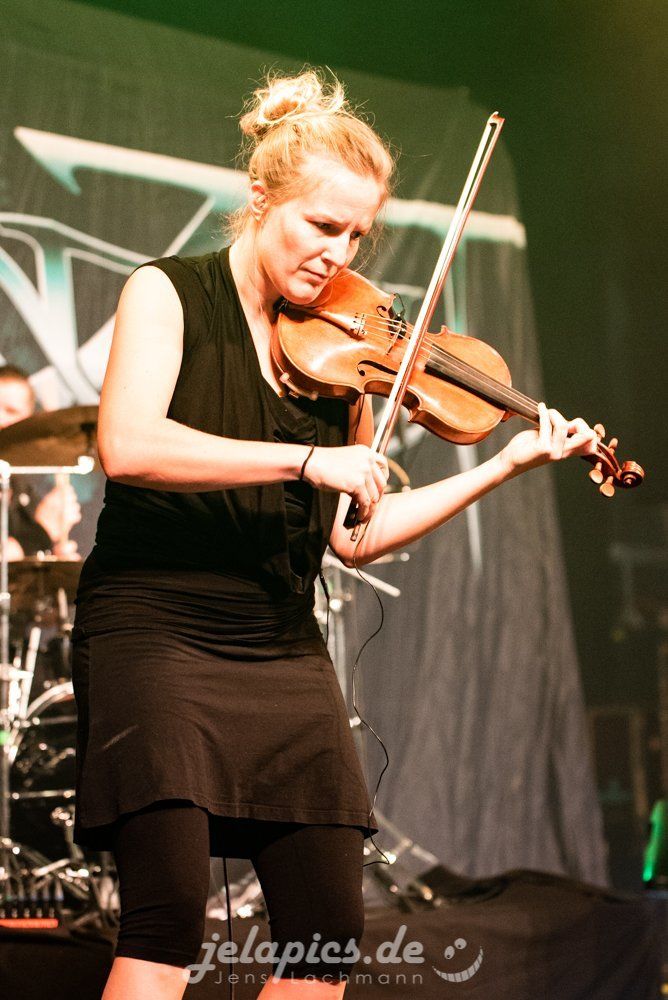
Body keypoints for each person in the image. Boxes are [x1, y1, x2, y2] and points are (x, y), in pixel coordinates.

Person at [71, 70, 598, 1000]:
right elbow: (129, 445)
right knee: (166, 924)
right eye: (322, 226)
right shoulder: (167, 292)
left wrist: (503, 466)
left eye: (357, 235)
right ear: (260, 198)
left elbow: (355, 537)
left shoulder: (344, 354)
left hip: (278, 645)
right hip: (154, 632)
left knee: (325, 940)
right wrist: (309, 462)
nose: (339, 255)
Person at [0, 364, 81, 559]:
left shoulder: (23, 493)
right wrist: (42, 531)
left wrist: (53, 557)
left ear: (29, 420)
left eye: (11, 411)